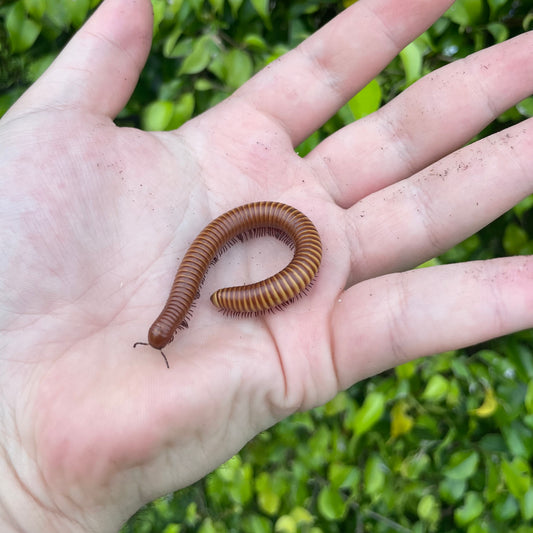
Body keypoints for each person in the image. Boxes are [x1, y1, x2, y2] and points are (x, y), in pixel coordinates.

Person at [0, 0, 532, 530]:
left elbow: (243, 270)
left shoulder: (212, 288)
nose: (169, 328)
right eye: (168, 329)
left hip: (284, 232)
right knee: (235, 248)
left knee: (246, 247)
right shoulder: (188, 301)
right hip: (274, 232)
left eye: (166, 327)